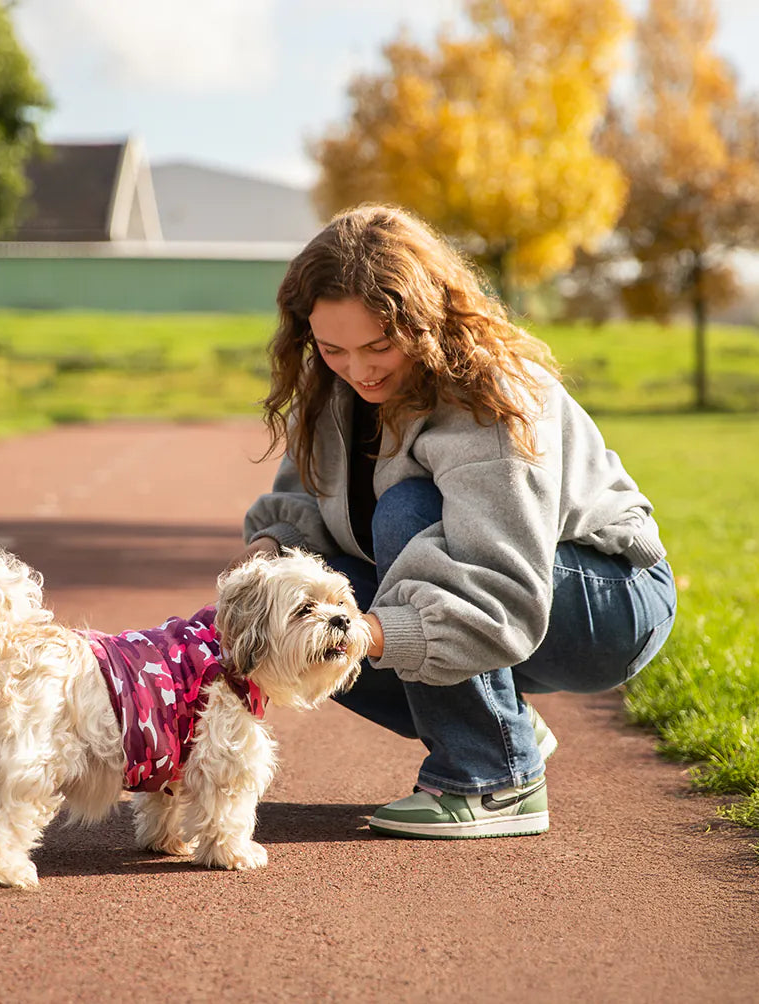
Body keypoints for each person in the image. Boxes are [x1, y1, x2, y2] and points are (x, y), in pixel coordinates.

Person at [233, 204, 677, 839]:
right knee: (291, 604)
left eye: (380, 346)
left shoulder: (490, 396)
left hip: (605, 599)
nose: (358, 370)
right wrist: (266, 560)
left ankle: (494, 781)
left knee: (406, 514)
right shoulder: (335, 390)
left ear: (424, 320)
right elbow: (304, 507)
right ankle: (501, 724)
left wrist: (367, 633)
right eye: (333, 349)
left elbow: (501, 585)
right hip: (510, 587)